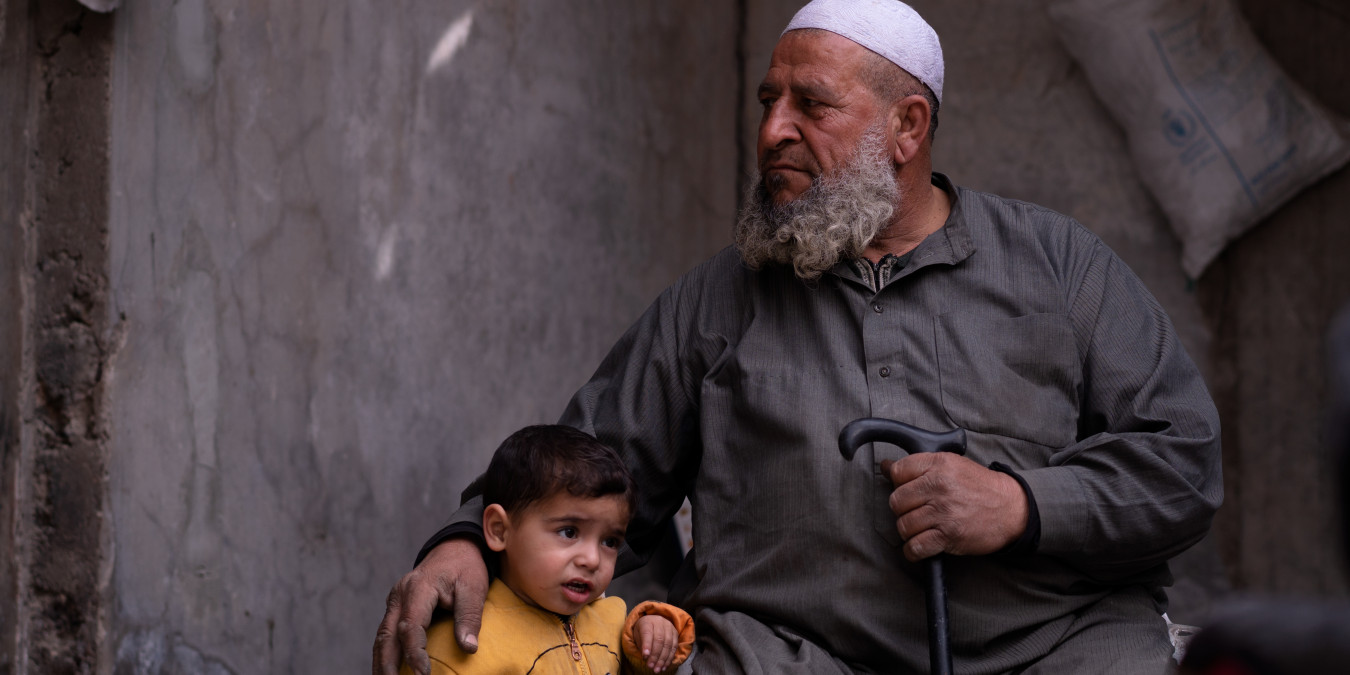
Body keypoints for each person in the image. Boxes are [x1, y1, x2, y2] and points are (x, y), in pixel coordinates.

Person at [375, 0, 1222, 673]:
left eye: (810, 104)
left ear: (908, 128)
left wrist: (1023, 504)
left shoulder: (1060, 267)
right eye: (768, 102)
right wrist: (463, 544)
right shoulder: (718, 299)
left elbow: (1183, 461)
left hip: (1054, 647)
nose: (773, 130)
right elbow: (577, 466)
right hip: (780, 655)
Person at [402, 425, 696, 675]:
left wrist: (650, 641)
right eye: (569, 532)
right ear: (499, 529)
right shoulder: (456, 652)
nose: (593, 560)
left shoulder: (613, 622)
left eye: (610, 542)